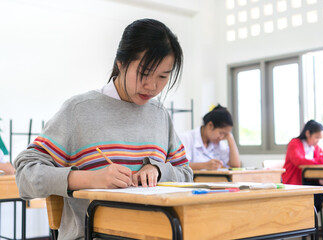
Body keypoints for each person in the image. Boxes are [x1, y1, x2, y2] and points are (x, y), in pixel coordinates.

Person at [14, 18, 193, 240]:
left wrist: (158, 170)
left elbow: (186, 172)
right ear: (120, 62)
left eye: (163, 77)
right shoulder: (79, 110)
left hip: (155, 233)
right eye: (144, 73)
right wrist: (89, 179)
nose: (152, 86)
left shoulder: (160, 115)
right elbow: (25, 174)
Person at [180, 104, 241, 170]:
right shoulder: (187, 138)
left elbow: (236, 165)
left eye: (225, 134)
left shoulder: (218, 143)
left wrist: (230, 137)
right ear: (210, 125)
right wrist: (205, 165)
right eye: (221, 133)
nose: (221, 137)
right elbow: (180, 166)